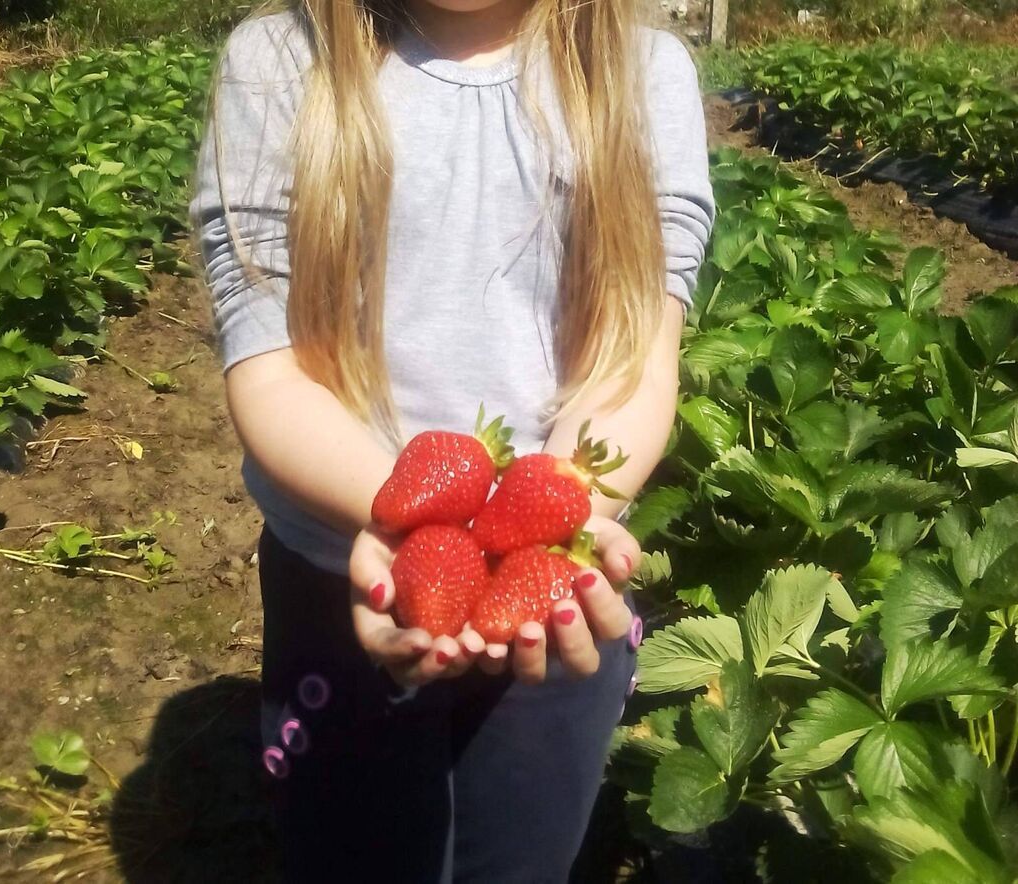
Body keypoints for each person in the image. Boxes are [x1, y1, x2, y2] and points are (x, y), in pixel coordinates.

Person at [190, 0, 714, 879]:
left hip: (551, 593)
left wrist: (543, 525)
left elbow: (632, 361)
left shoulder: (641, 71)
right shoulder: (281, 61)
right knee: (350, 852)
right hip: (341, 571)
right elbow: (269, 364)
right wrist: (408, 528)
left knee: (519, 859)